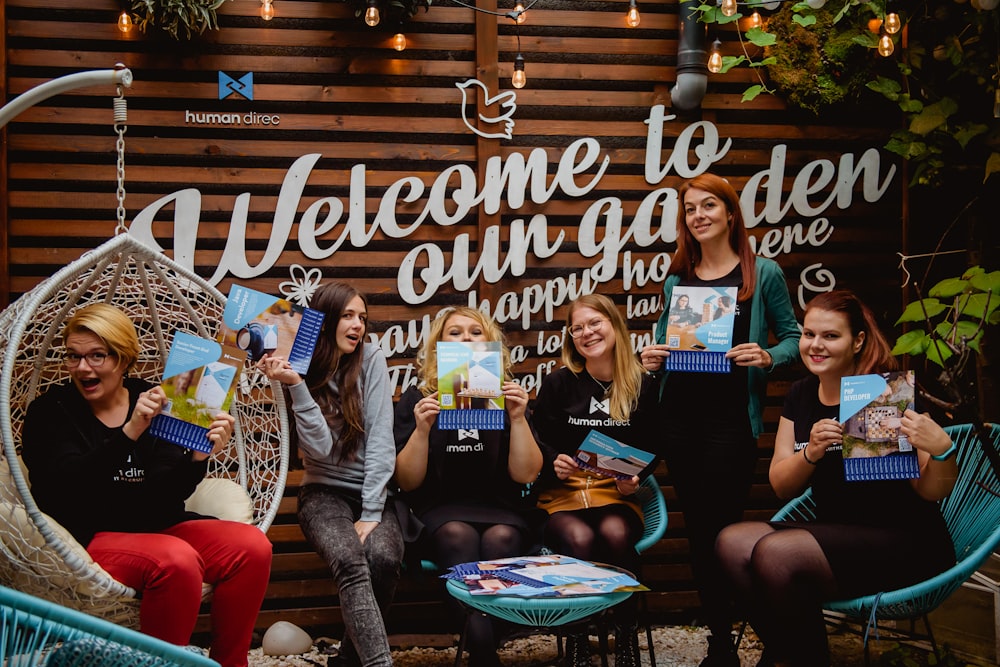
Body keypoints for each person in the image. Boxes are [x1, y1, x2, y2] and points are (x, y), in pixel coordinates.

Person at [715, 290, 958, 667]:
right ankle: (791, 652)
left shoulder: (882, 392)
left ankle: (791, 657)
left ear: (857, 340)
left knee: (777, 552)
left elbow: (930, 492)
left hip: (903, 541)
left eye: (830, 336)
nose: (815, 345)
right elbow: (782, 485)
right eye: (809, 334)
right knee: (732, 541)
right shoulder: (801, 395)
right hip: (831, 535)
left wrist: (941, 451)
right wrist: (810, 453)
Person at [21, 304, 272, 667]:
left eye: (96, 356)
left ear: (124, 360)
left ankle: (231, 663)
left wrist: (197, 457)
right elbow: (64, 489)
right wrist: (128, 434)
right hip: (88, 534)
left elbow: (165, 491)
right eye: (73, 357)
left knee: (253, 546)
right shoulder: (50, 412)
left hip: (158, 524)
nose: (82, 368)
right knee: (178, 560)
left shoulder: (158, 398)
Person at [640, 172, 801, 667]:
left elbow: (793, 339)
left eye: (709, 206)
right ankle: (719, 642)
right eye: (690, 209)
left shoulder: (762, 273)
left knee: (725, 534)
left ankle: (772, 633)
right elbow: (664, 344)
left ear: (731, 213)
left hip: (731, 423)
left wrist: (767, 355)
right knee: (700, 533)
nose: (699, 216)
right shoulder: (675, 279)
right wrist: (652, 356)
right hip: (680, 420)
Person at [259, 282, 403, 667]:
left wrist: (372, 511)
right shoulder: (299, 366)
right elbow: (320, 450)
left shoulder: (371, 358)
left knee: (385, 559)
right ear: (323, 322)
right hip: (321, 493)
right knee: (351, 559)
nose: (358, 325)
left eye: (362, 317)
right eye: (348, 316)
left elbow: (380, 438)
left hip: (372, 493)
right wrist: (296, 387)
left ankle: (348, 663)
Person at [393, 306, 543, 667]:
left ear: (490, 342)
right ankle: (484, 651)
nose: (466, 339)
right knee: (458, 536)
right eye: (455, 332)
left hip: (501, 508)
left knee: (501, 538)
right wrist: (422, 429)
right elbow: (406, 480)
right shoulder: (419, 397)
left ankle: (480, 644)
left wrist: (519, 418)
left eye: (475, 332)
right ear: (439, 345)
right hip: (440, 512)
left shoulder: (506, 395)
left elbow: (526, 475)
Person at [531, 294, 660, 667]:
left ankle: (625, 638)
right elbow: (539, 441)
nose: (587, 333)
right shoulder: (558, 383)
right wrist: (553, 462)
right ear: (570, 337)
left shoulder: (642, 385)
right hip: (563, 498)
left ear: (615, 326)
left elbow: (653, 446)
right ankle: (578, 641)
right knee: (579, 537)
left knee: (617, 534)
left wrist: (635, 480)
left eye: (595, 323)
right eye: (578, 328)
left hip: (615, 496)